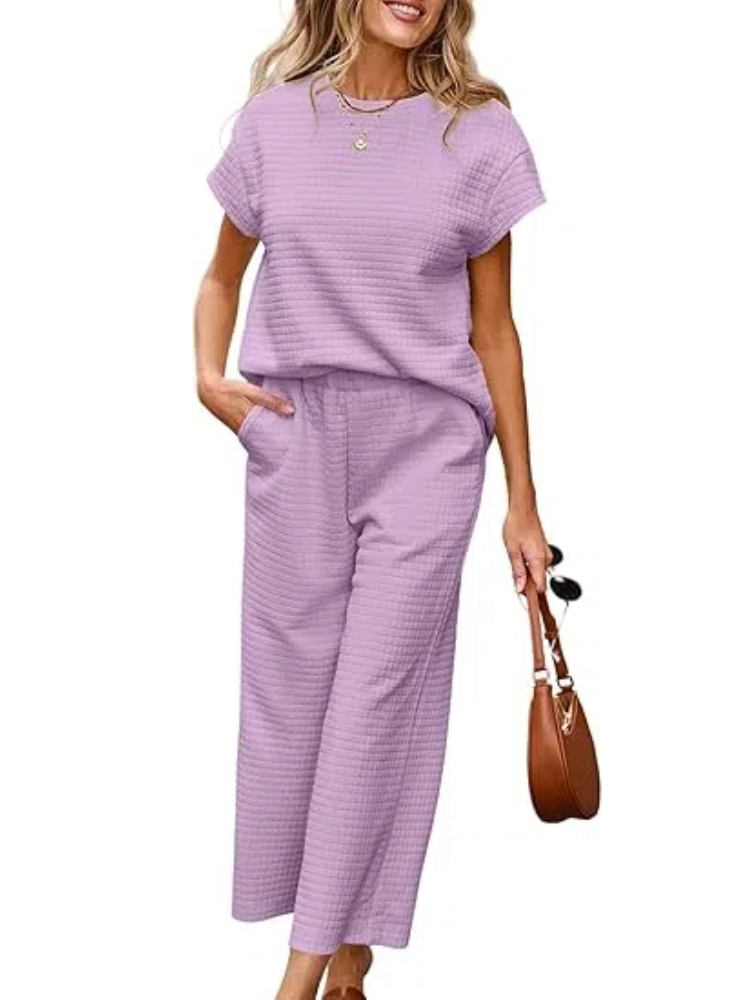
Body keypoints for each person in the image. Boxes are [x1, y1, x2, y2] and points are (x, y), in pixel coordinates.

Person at [194, 1, 552, 997]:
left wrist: (523, 502)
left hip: (427, 451)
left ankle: (297, 980)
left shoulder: (478, 132)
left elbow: (495, 331)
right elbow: (221, 276)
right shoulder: (274, 122)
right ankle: (348, 950)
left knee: (373, 706)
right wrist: (209, 380)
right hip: (296, 439)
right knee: (292, 707)